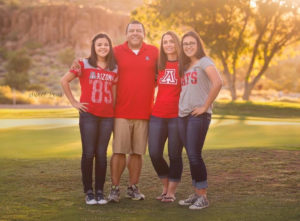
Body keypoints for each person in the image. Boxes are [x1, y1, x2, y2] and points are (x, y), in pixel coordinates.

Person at [61, 33, 118, 205]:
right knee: (88, 153)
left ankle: (100, 191)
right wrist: (74, 102)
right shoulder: (83, 64)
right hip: (89, 115)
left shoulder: (114, 68)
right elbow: (64, 81)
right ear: (94, 47)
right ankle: (89, 192)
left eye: (106, 45)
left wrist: (114, 111)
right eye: (99, 44)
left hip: (107, 116)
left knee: (101, 154)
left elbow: (114, 93)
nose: (103, 47)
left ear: (110, 47)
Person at [107, 20, 159, 202]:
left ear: (144, 33)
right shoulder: (115, 52)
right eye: (131, 30)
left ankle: (133, 187)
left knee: (137, 153)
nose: (135, 33)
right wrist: (79, 63)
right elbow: (98, 62)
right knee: (119, 152)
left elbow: (167, 71)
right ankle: (114, 189)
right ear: (126, 33)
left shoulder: (154, 52)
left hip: (144, 112)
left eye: (138, 30)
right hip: (121, 111)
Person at [177, 31, 223, 209]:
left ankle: (203, 196)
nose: (188, 46)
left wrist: (205, 106)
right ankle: (196, 193)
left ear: (198, 45)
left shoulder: (205, 61)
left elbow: (217, 82)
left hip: (199, 115)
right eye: (185, 44)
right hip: (183, 116)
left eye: (191, 43)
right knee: (191, 155)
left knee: (195, 155)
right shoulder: (186, 66)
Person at [148, 31, 183, 203]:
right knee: (154, 153)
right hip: (157, 115)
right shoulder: (159, 64)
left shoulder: (185, 65)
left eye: (171, 41)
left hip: (177, 116)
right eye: (165, 42)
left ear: (177, 43)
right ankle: (165, 185)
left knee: (174, 155)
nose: (168, 44)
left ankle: (170, 192)